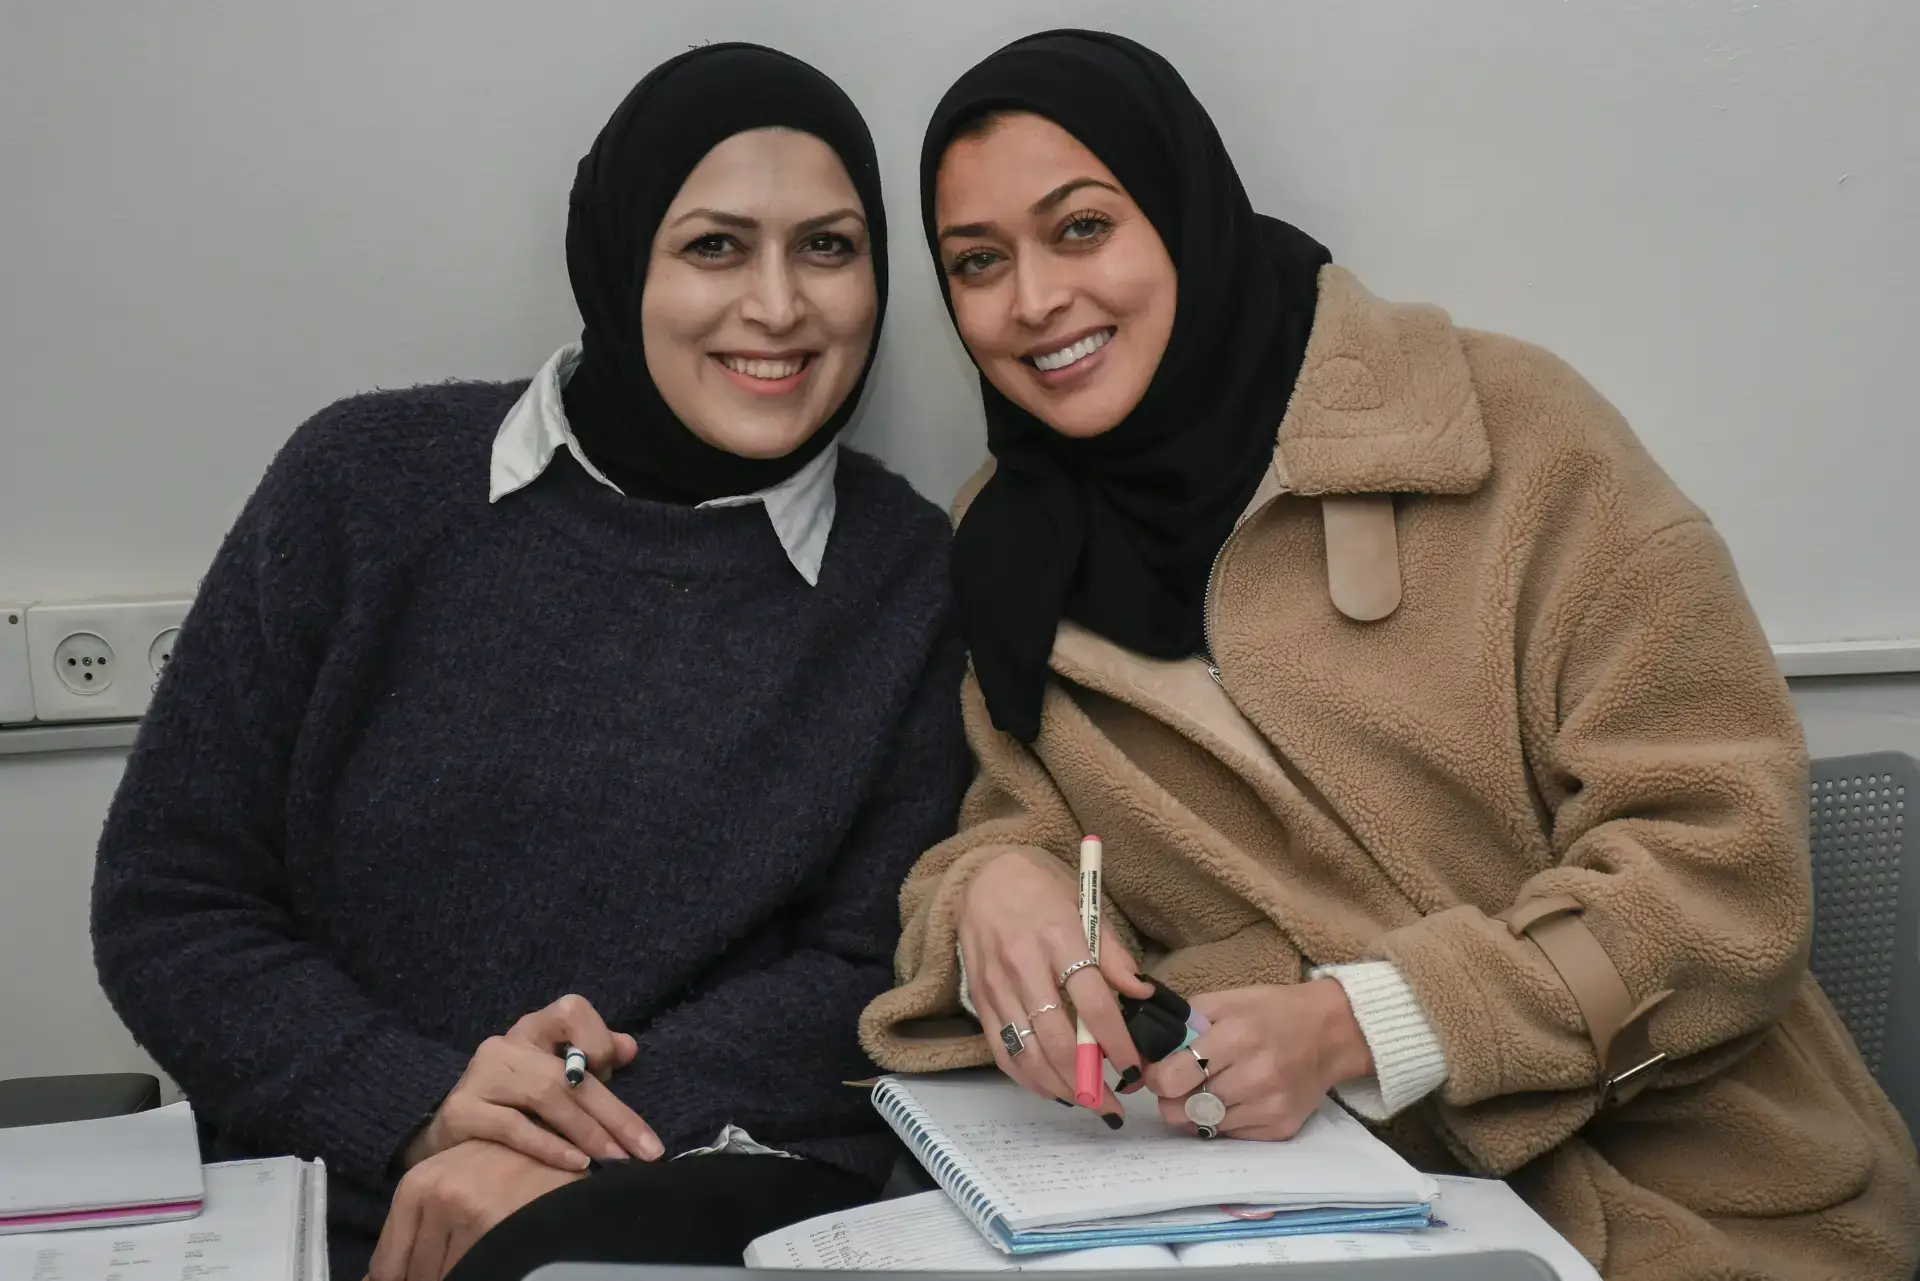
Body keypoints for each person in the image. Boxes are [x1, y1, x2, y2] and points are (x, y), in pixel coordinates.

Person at [860, 29, 1920, 1280]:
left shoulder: (1514, 432)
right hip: (1311, 1227)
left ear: (1183, 212)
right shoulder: (1009, 546)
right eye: (978, 264)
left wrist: (1358, 1026)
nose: (1033, 300)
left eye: (1082, 228)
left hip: (1704, 1202)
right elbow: (1030, 828)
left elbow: (1726, 874)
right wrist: (995, 885)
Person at [91, 43, 970, 1281]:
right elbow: (172, 901)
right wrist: (428, 1103)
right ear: (616, 259)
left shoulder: (910, 572)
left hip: (701, 1190)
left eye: (828, 247)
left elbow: (873, 967)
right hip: (325, 1190)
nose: (779, 305)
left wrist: (552, 1135)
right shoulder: (358, 487)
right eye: (715, 246)